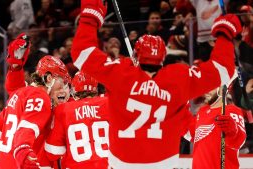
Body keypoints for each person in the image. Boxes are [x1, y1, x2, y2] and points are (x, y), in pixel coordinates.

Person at [70, 0, 241, 168]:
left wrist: (90, 16)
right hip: (164, 162)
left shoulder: (120, 73)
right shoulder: (177, 79)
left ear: (137, 55)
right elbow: (222, 70)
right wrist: (225, 34)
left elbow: (82, 53)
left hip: (121, 161)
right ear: (163, 58)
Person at [0, 34, 71, 169]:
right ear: (49, 78)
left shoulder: (19, 94)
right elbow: (25, 133)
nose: (63, 88)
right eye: (61, 82)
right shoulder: (41, 98)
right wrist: (24, 153)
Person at [43, 71, 109, 169]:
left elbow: (54, 152)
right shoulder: (108, 102)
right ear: (96, 89)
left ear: (74, 90)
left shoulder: (63, 109)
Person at [191, 87, 246, 169]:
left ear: (222, 89)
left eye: (213, 85)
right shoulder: (201, 112)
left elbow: (240, 141)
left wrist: (233, 132)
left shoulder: (232, 110)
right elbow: (193, 134)